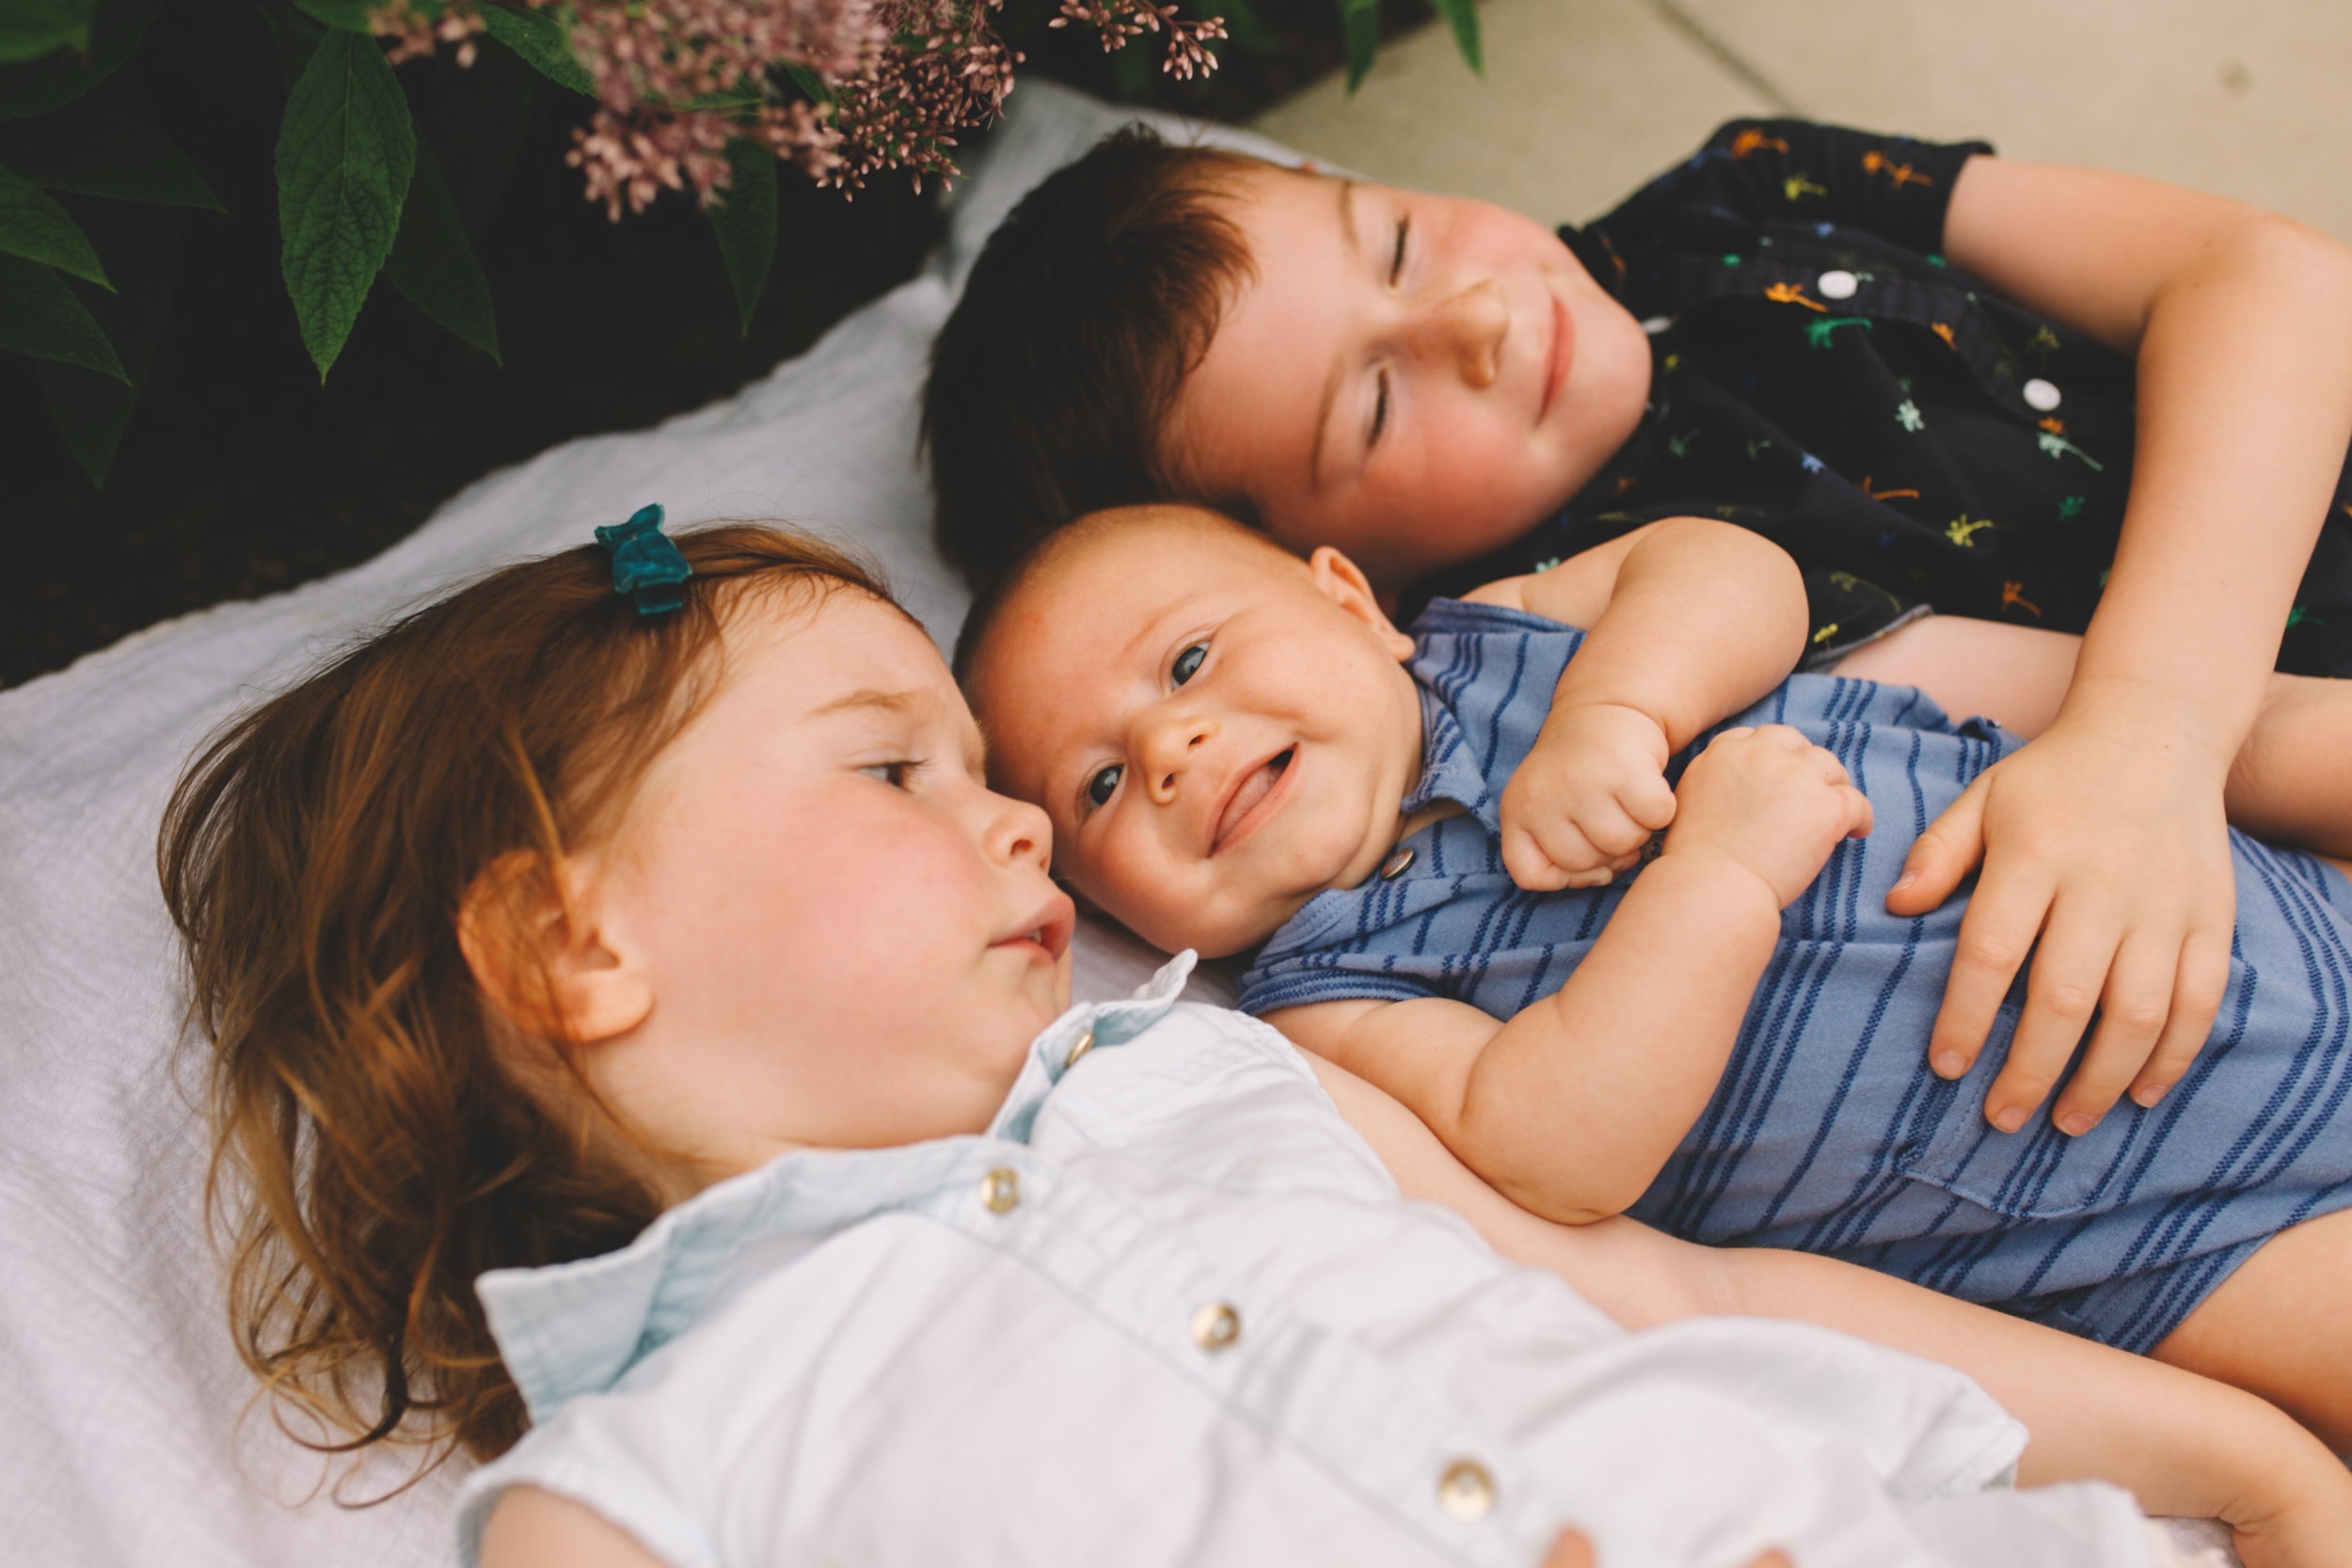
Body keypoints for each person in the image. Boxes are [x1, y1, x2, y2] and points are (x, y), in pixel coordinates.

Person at [158, 516, 2350, 1568]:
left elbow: (1671, 1289)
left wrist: (2228, 1465)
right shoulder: (627, 1488)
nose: (1021, 810)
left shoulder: (1224, 1073)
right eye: (896, 775)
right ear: (579, 945)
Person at [923, 118, 2352, 1163]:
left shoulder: (1733, 193)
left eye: (1399, 241)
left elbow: (2269, 277)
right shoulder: (1616, 672)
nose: (1473, 314)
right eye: (1372, 407)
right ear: (1335, 582)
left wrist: (2152, 727)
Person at [958, 500, 2352, 1455]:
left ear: (1348, 601)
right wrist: (1716, 881)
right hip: (2171, 1222)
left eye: (1189, 659)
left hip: (2242, 890)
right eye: (1101, 783)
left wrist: (1621, 710)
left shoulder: (1505, 638)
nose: (1172, 748)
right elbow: (1558, 1148)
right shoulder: (1327, 999)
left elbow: (1734, 569)